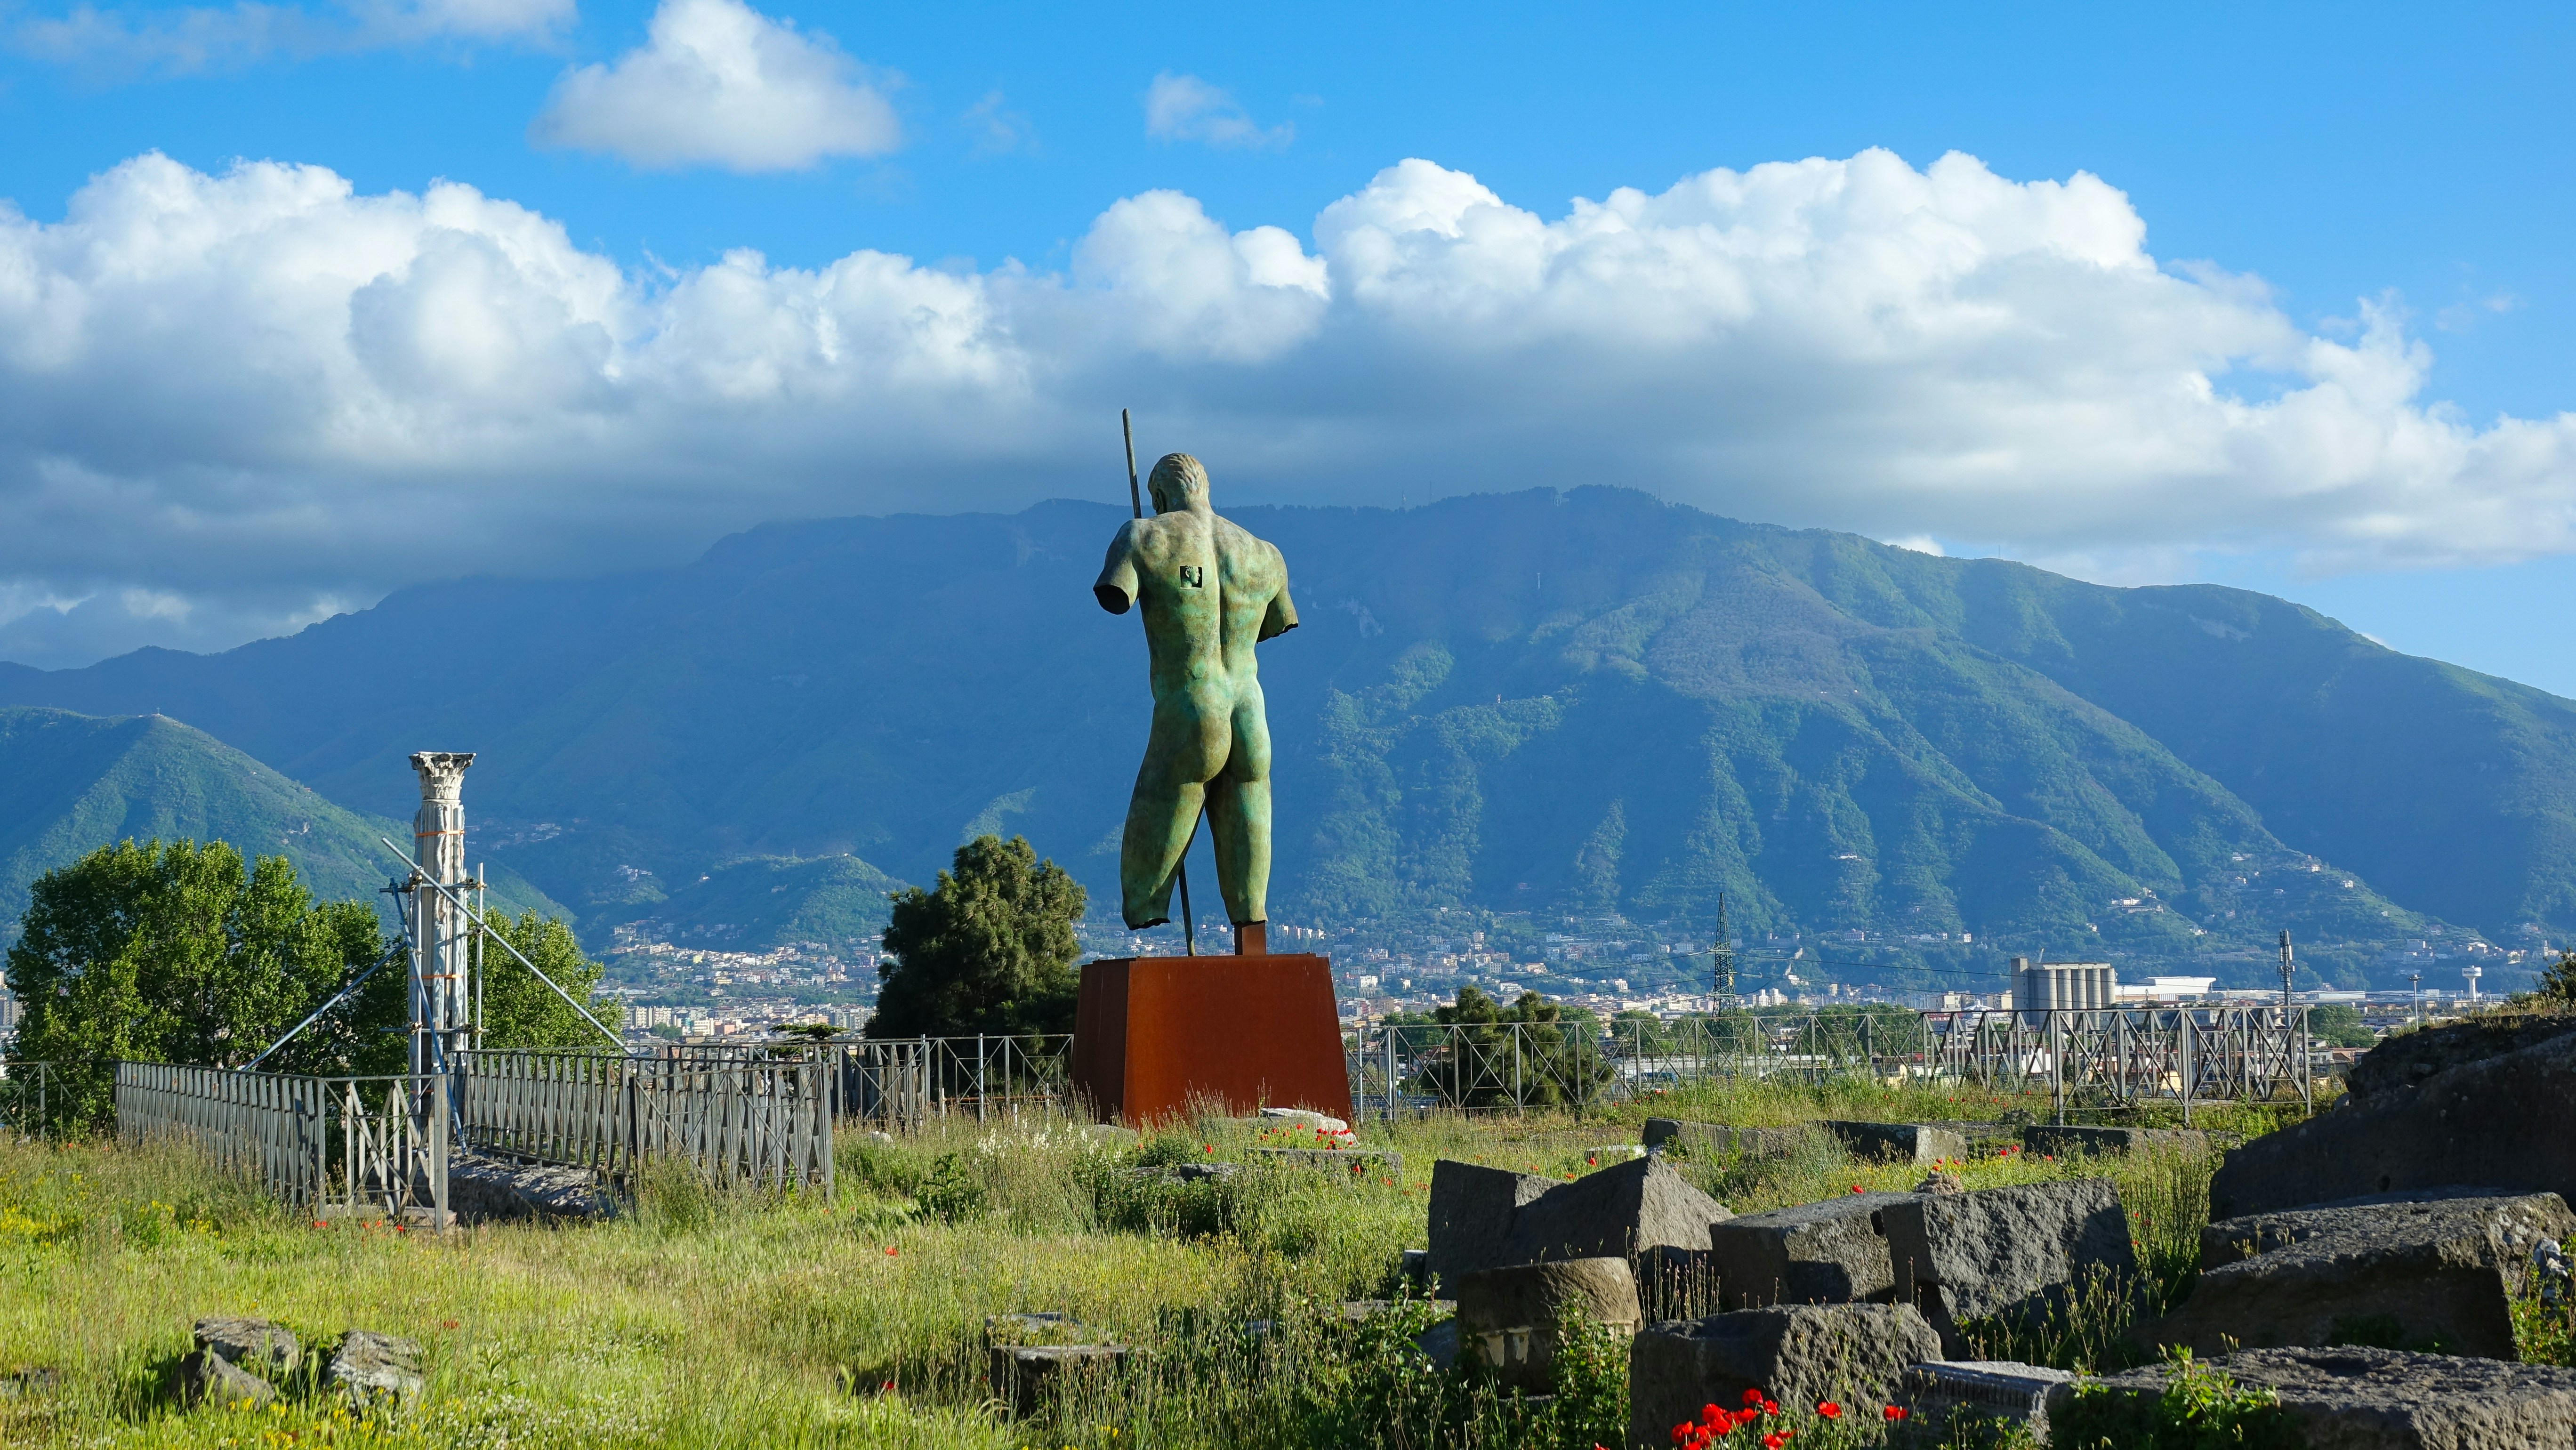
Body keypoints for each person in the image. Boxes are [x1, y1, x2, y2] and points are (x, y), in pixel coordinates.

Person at [1093, 452, 1297, 936]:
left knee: (1159, 800)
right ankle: (1251, 920)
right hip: (1250, 708)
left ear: (1160, 495)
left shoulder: (1144, 534)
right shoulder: (1264, 552)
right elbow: (1275, 623)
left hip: (1192, 705)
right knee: (1251, 800)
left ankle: (1146, 909)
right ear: (1207, 488)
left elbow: (1115, 595)